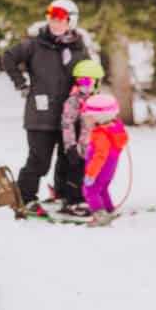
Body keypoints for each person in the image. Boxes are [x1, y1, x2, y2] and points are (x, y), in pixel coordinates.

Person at [1, 0, 89, 214]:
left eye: (60, 19)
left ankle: (68, 197)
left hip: (69, 117)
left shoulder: (79, 49)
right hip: (40, 116)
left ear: (72, 21)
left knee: (70, 160)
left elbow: (88, 75)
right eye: (52, 18)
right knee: (39, 160)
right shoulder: (35, 45)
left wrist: (87, 95)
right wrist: (21, 84)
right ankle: (25, 198)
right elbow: (8, 58)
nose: (55, 23)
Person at [57, 59, 105, 215]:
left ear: (97, 82)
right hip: (81, 148)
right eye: (80, 80)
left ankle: (94, 200)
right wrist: (70, 146)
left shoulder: (99, 100)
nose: (84, 85)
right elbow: (67, 123)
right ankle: (73, 201)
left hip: (98, 148)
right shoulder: (74, 101)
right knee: (76, 174)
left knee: (95, 175)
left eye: (88, 81)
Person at [80, 93, 129, 227]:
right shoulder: (114, 129)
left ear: (97, 117)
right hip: (109, 169)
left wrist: (91, 174)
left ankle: (100, 215)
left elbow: (99, 156)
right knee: (102, 189)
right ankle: (109, 210)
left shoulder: (100, 134)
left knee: (90, 190)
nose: (85, 120)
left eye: (87, 117)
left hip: (99, 169)